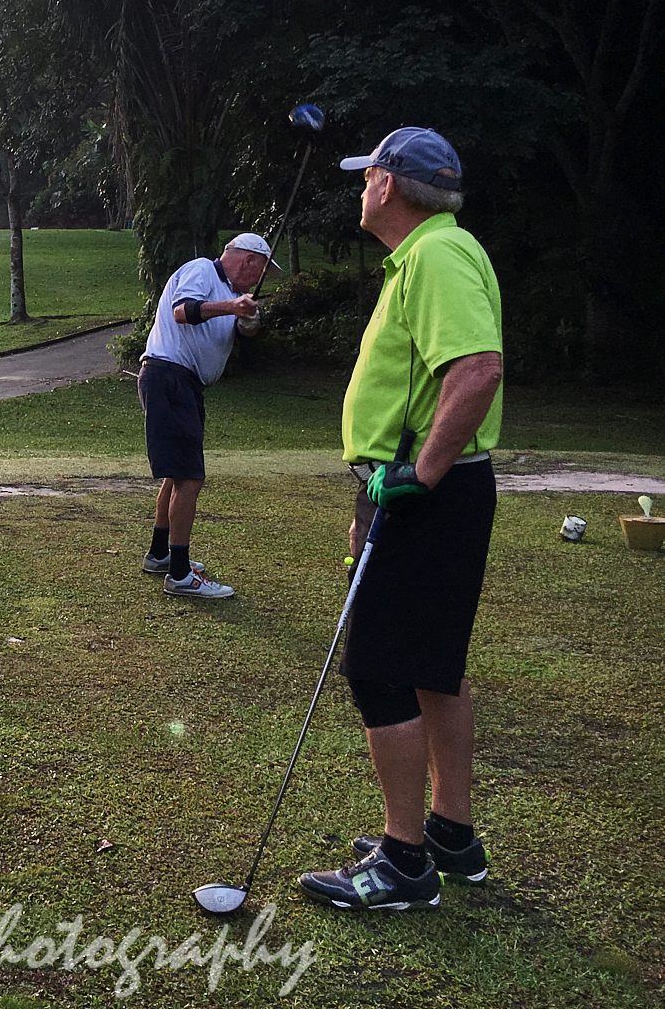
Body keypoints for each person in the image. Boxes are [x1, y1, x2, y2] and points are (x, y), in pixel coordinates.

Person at [299, 127, 503, 911]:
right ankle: (448, 833)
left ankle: (404, 862)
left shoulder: (436, 255)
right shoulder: (430, 252)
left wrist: (420, 473)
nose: (360, 189)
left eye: (365, 177)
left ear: (386, 185)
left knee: (379, 669)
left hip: (425, 492)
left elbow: (475, 369)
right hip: (414, 490)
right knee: (429, 667)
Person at [136, 232, 278, 599]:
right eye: (260, 271)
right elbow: (182, 311)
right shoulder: (202, 270)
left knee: (178, 474)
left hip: (185, 384)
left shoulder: (229, 294)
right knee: (190, 478)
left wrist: (248, 318)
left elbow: (244, 333)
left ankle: (160, 554)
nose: (259, 279)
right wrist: (233, 306)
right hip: (169, 376)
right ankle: (180, 575)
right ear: (247, 261)